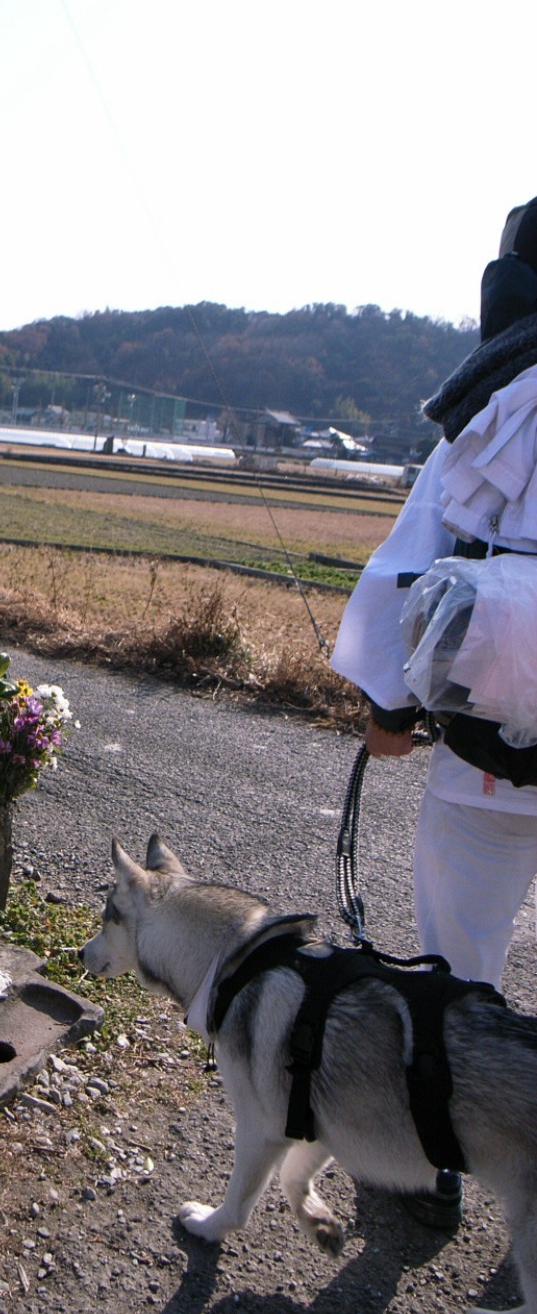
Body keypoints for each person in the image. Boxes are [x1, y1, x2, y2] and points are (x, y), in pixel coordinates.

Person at [332, 195, 537, 1228]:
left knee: (462, 960)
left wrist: (391, 713)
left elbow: (412, 566)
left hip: (488, 753)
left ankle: (439, 1161)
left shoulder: (494, 400)